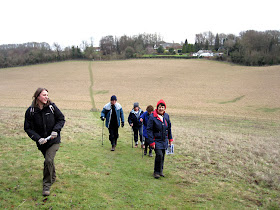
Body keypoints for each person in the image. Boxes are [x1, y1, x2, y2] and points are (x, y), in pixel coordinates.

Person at [24, 88, 65, 196]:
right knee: (49, 161)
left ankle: (46, 186)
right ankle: (53, 177)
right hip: (42, 142)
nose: (46, 97)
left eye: (47, 95)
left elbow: (61, 119)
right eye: (44, 95)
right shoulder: (31, 111)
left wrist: (56, 130)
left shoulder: (52, 107)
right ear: (37, 96)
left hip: (54, 140)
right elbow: (27, 128)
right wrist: (37, 138)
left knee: (48, 160)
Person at [147, 99, 173, 179]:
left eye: (162, 107)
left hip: (164, 140)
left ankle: (160, 171)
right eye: (159, 107)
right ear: (157, 107)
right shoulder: (152, 117)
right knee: (159, 155)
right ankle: (156, 172)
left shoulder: (166, 116)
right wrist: (151, 142)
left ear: (165, 108)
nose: (161, 109)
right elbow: (149, 130)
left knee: (163, 155)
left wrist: (170, 139)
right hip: (156, 140)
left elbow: (169, 128)